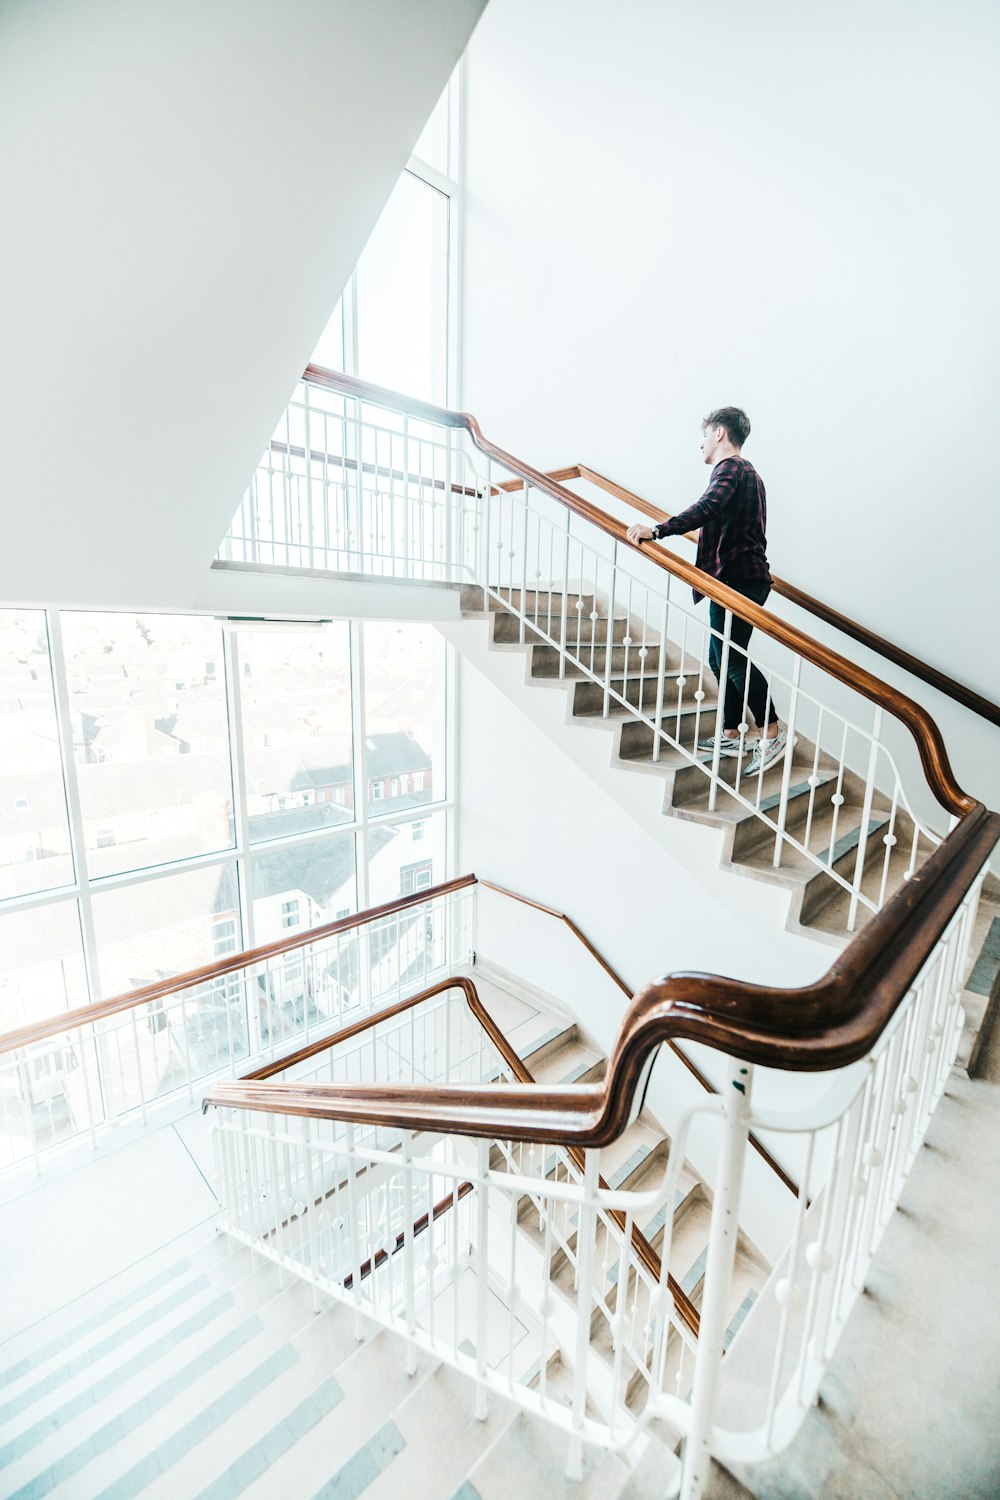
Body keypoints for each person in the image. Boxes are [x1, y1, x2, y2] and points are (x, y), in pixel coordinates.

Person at [625, 407, 789, 776]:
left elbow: (708, 506)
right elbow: (718, 513)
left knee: (730, 659)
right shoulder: (747, 474)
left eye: (704, 435)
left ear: (719, 433)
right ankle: (732, 732)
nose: (700, 444)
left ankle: (772, 732)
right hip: (733, 579)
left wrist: (659, 529)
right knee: (721, 659)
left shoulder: (733, 469)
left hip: (737, 580)